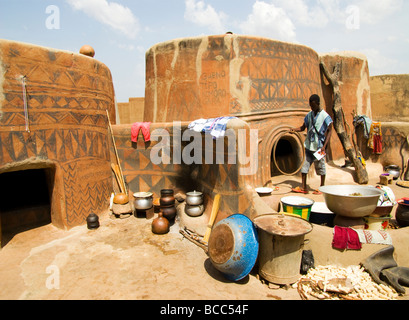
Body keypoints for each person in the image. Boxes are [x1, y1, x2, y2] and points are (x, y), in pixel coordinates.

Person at [290, 94, 333, 195]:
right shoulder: (309, 115)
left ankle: (322, 188)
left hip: (319, 147)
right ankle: (304, 187)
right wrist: (294, 130)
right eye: (310, 106)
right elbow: (302, 127)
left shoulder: (325, 116)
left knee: (321, 167)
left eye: (313, 106)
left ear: (318, 104)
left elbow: (330, 130)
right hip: (309, 146)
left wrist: (324, 146)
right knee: (304, 168)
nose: (312, 108)